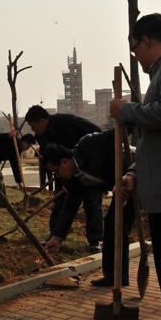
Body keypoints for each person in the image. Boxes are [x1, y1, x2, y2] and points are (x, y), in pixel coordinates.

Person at [110, 13, 161, 320]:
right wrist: (134, 173)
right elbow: (159, 141)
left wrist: (128, 110)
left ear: (146, 41)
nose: (136, 55)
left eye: (135, 48)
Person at [40, 130, 134, 287]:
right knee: (112, 227)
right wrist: (57, 237)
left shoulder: (89, 144)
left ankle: (117, 275)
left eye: (55, 172)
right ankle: (115, 276)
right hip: (121, 189)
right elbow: (70, 207)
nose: (56, 176)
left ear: (64, 162)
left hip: (135, 172)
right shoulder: (73, 181)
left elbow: (118, 132)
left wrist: (126, 114)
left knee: (117, 225)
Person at [25, 105, 103, 252]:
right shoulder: (41, 137)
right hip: (63, 173)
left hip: (86, 169)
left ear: (42, 121)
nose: (32, 130)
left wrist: (86, 156)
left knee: (92, 203)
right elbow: (50, 160)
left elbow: (97, 133)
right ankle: (55, 238)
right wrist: (63, 180)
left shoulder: (67, 122)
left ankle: (95, 241)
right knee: (60, 202)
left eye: (33, 126)